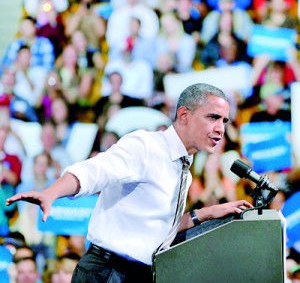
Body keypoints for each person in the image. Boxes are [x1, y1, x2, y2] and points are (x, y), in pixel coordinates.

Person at [6, 83, 253, 282]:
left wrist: (211, 213)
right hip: (107, 273)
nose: (220, 129)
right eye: (213, 118)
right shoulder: (145, 146)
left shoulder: (183, 168)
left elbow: (159, 229)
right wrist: (51, 192)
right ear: (184, 115)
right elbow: (94, 171)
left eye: (224, 121)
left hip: (139, 274)